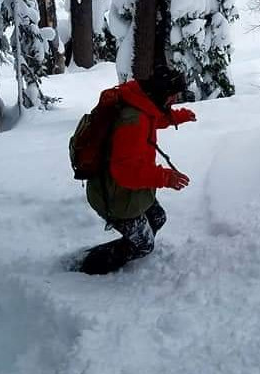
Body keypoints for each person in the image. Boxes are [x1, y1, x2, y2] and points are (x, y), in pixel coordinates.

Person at [77, 65, 196, 275]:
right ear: (160, 94)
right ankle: (89, 267)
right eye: (172, 96)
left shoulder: (141, 102)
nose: (175, 100)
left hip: (124, 188)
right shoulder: (134, 121)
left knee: (157, 217)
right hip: (113, 195)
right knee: (144, 245)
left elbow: (154, 117)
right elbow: (125, 173)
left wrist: (178, 117)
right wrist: (164, 177)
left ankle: (127, 244)